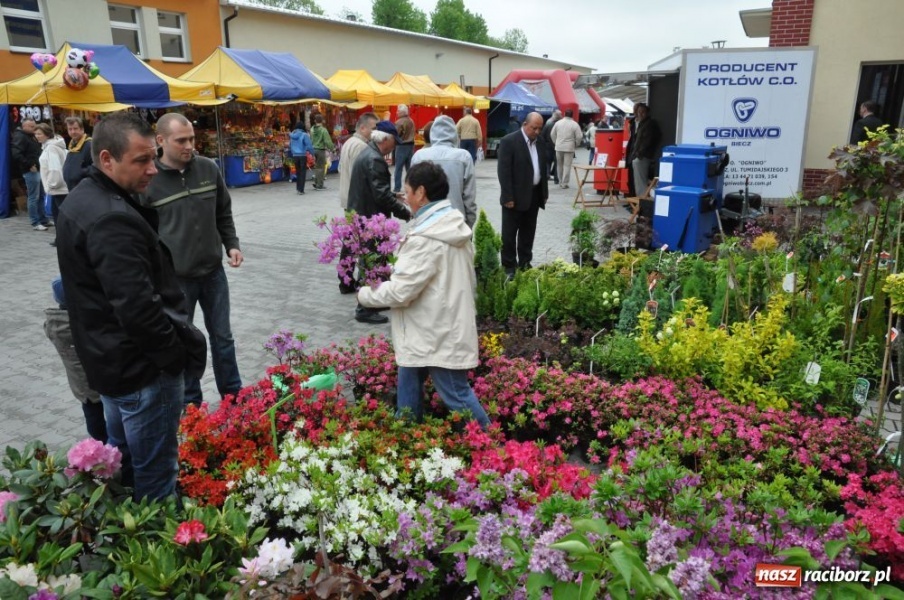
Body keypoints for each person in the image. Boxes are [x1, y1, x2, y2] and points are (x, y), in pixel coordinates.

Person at [56, 110, 205, 501]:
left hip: (112, 363)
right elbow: (137, 308)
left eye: (152, 157)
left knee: (126, 462)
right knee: (155, 477)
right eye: (141, 160)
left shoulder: (84, 199)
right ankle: (160, 553)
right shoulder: (110, 218)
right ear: (106, 159)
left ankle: (132, 539)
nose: (152, 169)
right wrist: (172, 358)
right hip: (140, 371)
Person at [357, 161, 490, 429]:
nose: (404, 197)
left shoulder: (429, 236)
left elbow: (402, 291)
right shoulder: (446, 224)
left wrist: (364, 295)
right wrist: (394, 268)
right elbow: (429, 273)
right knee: (409, 381)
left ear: (420, 192)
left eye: (406, 191)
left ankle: (492, 446)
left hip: (437, 331)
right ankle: (405, 436)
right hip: (431, 327)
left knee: (457, 394)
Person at [144, 112, 243, 406]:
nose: (189, 145)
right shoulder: (149, 180)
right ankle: (191, 405)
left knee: (222, 337)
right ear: (161, 141)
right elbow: (143, 234)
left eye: (192, 138)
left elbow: (223, 211)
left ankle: (234, 397)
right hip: (176, 280)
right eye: (181, 140)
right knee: (184, 343)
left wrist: (231, 244)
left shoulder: (208, 168)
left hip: (213, 273)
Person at [347, 120, 412, 324]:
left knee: (372, 261)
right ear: (385, 139)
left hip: (364, 215)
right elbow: (381, 195)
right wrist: (405, 212)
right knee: (372, 263)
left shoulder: (368, 153)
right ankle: (364, 308)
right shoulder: (374, 159)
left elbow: (376, 190)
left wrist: (393, 195)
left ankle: (373, 300)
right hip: (370, 219)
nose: (394, 147)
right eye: (394, 141)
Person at [44, 276, 107, 443]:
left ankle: (99, 443)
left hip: (80, 386)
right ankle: (107, 446)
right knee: (103, 417)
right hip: (100, 382)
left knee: (92, 414)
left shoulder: (54, 325)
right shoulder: (82, 325)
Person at [497, 112, 548, 277]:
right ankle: (509, 266)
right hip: (515, 197)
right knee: (509, 234)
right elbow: (504, 172)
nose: (537, 132)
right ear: (525, 124)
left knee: (528, 232)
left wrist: (544, 192)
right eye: (534, 128)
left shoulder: (540, 142)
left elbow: (543, 168)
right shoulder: (509, 141)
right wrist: (507, 197)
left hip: (533, 195)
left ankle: (525, 263)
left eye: (540, 129)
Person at [337, 112, 378, 294]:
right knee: (357, 242)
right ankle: (350, 280)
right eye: (373, 128)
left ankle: (345, 279)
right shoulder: (361, 147)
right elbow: (362, 176)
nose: (375, 132)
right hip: (358, 201)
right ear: (363, 127)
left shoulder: (348, 143)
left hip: (348, 199)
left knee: (351, 241)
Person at [411, 115, 477, 228]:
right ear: (454, 134)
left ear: (432, 134)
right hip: (456, 221)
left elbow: (413, 192)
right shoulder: (464, 157)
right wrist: (468, 224)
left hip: (426, 222)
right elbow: (469, 196)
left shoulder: (419, 156)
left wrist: (416, 218)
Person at [11, 118, 51, 231]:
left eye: (35, 126)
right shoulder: (20, 136)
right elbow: (16, 154)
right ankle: (35, 222)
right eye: (32, 127)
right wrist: (29, 165)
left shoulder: (30, 136)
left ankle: (43, 219)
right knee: (34, 197)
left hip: (38, 169)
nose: (34, 129)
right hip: (30, 171)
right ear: (24, 127)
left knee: (41, 195)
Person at [33, 123, 68, 246]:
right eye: (35, 134)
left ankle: (63, 239)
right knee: (57, 214)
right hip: (59, 187)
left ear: (47, 134)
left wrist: (51, 185)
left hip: (58, 188)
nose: (37, 136)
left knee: (60, 215)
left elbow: (55, 168)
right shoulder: (51, 146)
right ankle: (61, 238)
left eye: (39, 134)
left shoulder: (52, 148)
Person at [628, 103, 662, 198]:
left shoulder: (650, 124)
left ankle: (642, 201)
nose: (640, 114)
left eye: (643, 112)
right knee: (640, 181)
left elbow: (647, 141)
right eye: (639, 112)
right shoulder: (643, 123)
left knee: (641, 182)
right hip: (641, 156)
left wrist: (638, 154)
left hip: (644, 156)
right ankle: (642, 200)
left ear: (647, 112)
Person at [550, 108, 584, 189]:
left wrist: (556, 142)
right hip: (569, 147)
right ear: (572, 115)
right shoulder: (575, 124)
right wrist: (576, 144)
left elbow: (552, 134)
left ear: (564, 114)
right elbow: (579, 136)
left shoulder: (558, 123)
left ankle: (560, 181)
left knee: (559, 165)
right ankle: (565, 183)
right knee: (567, 165)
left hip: (558, 146)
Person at [62, 116, 93, 193]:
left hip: (85, 190)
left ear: (82, 129)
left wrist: (79, 172)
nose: (73, 132)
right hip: (73, 189)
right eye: (70, 129)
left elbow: (96, 168)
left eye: (75, 129)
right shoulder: (72, 144)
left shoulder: (89, 145)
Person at [393, 104, 416, 193]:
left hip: (401, 146)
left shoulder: (399, 122)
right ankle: (410, 187)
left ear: (402, 112)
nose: (397, 112)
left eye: (398, 111)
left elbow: (396, 134)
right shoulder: (411, 121)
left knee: (398, 168)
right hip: (411, 146)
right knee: (409, 169)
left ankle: (397, 188)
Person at [310, 113, 334, 191]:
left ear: (315, 121)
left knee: (317, 167)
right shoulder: (323, 130)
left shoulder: (312, 129)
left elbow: (310, 139)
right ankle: (319, 185)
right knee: (321, 168)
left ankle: (316, 182)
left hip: (313, 150)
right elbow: (327, 141)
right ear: (322, 121)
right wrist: (332, 148)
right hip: (320, 150)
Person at [289, 121, 314, 195]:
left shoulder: (292, 135)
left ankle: (298, 188)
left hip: (295, 156)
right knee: (303, 173)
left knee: (298, 172)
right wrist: (312, 153)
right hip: (302, 155)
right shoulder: (304, 135)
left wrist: (293, 152)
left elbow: (290, 145)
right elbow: (309, 146)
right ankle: (301, 190)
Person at [541, 110, 561, 185]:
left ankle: (547, 175)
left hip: (547, 146)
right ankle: (556, 178)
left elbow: (542, 135)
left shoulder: (548, 124)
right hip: (557, 145)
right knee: (557, 162)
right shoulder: (560, 125)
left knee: (547, 162)